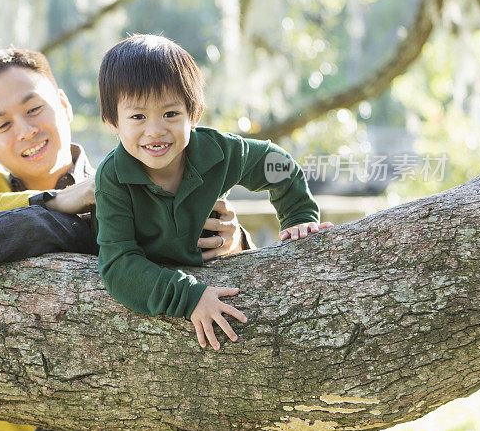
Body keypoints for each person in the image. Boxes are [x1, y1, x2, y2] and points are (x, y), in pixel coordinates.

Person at [0, 47, 253, 431]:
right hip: (8, 417)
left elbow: (184, 230)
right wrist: (54, 201)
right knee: (33, 223)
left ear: (64, 105)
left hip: (104, 399)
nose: (26, 131)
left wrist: (234, 240)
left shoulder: (125, 171)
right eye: (3, 124)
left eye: (34, 109)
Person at [94, 34, 333, 351]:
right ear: (113, 121)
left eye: (170, 114)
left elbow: (276, 163)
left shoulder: (215, 151)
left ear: (195, 114)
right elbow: (118, 265)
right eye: (137, 116)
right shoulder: (113, 176)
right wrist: (189, 296)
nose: (155, 130)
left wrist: (298, 215)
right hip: (156, 279)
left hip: (216, 259)